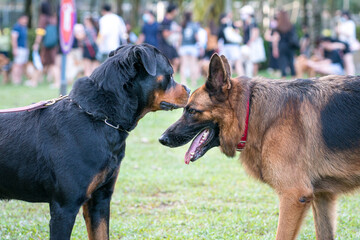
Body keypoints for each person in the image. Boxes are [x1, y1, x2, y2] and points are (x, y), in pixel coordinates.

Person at [30, 1, 60, 87]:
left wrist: (36, 43)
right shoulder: (53, 18)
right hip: (53, 44)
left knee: (42, 63)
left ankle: (34, 81)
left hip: (47, 45)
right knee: (51, 63)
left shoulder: (43, 18)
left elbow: (40, 32)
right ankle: (34, 80)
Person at [240, 5, 266, 77]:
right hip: (248, 45)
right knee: (248, 61)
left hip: (253, 45)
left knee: (254, 61)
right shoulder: (246, 23)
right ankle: (249, 76)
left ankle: (254, 77)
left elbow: (255, 34)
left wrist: (249, 43)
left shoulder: (253, 23)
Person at [272, 10, 298, 78]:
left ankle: (283, 78)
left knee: (282, 62)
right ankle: (294, 78)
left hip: (282, 46)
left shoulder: (278, 27)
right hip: (290, 46)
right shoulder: (291, 25)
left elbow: (275, 38)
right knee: (291, 62)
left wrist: (275, 49)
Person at [217, 12, 244, 76]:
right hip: (226, 46)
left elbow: (237, 32)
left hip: (234, 46)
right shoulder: (222, 27)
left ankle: (242, 76)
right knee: (228, 64)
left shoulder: (231, 24)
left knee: (237, 62)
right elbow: (219, 36)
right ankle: (230, 79)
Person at [179, 12, 199, 86]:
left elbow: (180, 37)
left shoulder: (183, 24)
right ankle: (193, 82)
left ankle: (183, 81)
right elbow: (197, 37)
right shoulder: (194, 25)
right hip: (192, 47)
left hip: (184, 46)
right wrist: (200, 46)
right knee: (193, 64)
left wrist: (178, 46)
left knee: (183, 64)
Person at [158, 4, 180, 73]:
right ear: (173, 11)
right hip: (165, 46)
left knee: (176, 61)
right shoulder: (165, 21)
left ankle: (172, 78)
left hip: (171, 45)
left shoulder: (171, 21)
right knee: (168, 64)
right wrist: (175, 31)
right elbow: (165, 34)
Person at [11, 14, 29, 85]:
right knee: (17, 64)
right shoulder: (16, 27)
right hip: (19, 48)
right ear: (20, 19)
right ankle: (15, 80)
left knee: (22, 64)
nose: (25, 21)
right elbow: (14, 39)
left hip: (24, 49)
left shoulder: (24, 28)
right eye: (24, 19)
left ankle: (19, 79)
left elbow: (25, 40)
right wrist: (14, 49)